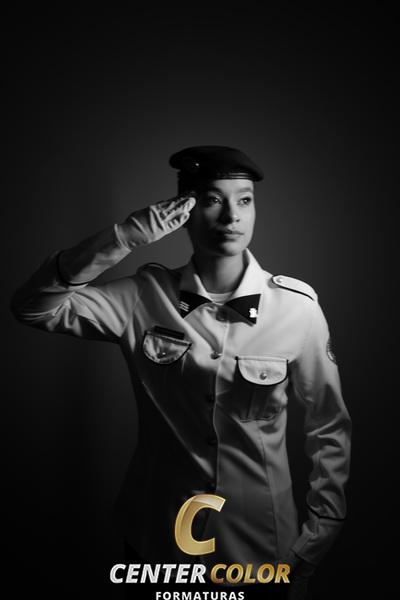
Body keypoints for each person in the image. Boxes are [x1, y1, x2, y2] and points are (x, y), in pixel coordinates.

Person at [10, 145, 351, 599]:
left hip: (261, 543)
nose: (231, 216)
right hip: (158, 538)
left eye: (244, 200)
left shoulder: (297, 308)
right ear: (184, 211)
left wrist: (321, 531)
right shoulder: (142, 296)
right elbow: (32, 307)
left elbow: (329, 426)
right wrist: (125, 236)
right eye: (212, 200)